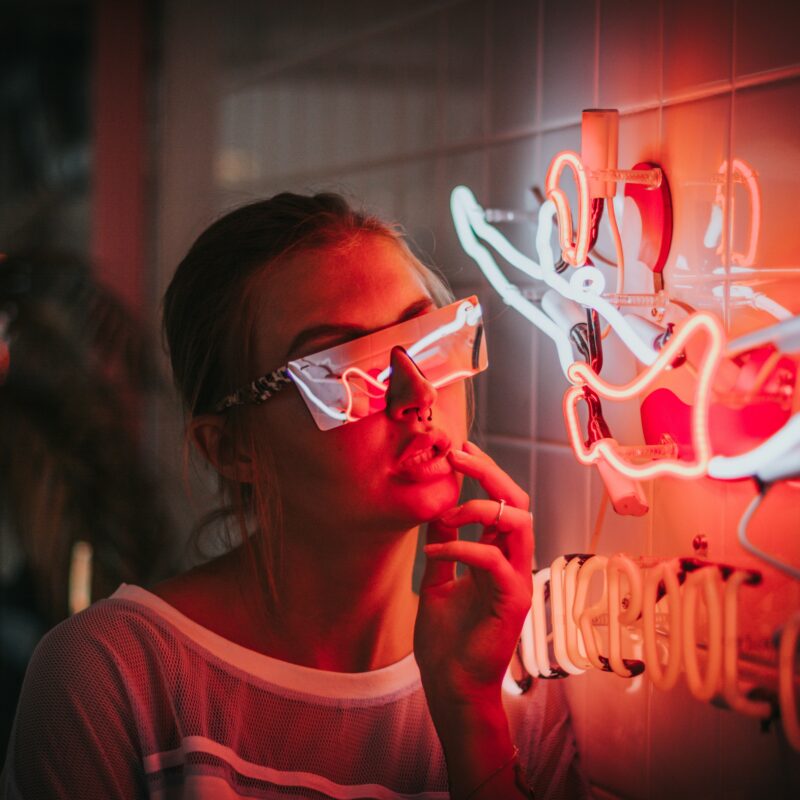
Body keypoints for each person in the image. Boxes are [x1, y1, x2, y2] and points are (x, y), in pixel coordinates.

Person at [1, 193, 586, 799]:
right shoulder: (113, 677)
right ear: (232, 449)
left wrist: (471, 719)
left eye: (427, 337)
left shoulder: (512, 677)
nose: (416, 394)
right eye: (341, 372)